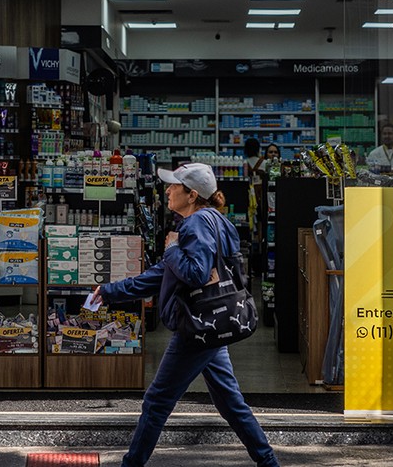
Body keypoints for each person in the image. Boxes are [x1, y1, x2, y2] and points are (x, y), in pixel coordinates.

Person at [90, 163, 282, 467]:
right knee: (231, 403)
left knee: (156, 402)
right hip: (214, 323)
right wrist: (112, 291)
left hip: (197, 327)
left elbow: (195, 273)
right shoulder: (216, 221)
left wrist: (171, 249)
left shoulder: (195, 225)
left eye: (174, 186)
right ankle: (268, 461)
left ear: (192, 195)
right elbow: (163, 276)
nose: (167, 190)